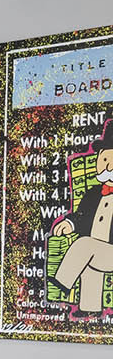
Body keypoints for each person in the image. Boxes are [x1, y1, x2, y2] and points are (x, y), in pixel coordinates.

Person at [49, 122, 113, 318]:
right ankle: (89, 308)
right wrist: (69, 223)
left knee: (85, 246)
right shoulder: (93, 194)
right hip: (97, 251)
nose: (108, 167)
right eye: (105, 159)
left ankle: (62, 283)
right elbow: (81, 216)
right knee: (89, 262)